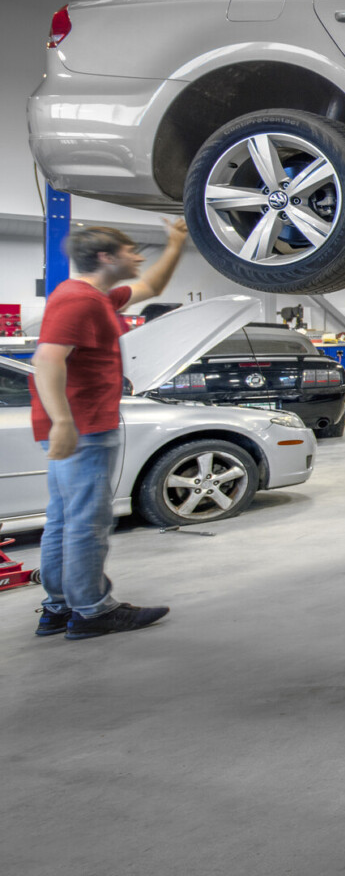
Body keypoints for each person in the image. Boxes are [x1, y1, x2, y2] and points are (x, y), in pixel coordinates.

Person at [30, 221, 187, 640]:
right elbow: (47, 360)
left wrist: (177, 243)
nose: (138, 258)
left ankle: (60, 606)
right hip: (83, 427)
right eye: (132, 250)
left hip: (79, 424)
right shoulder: (79, 301)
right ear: (106, 257)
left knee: (64, 520)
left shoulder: (94, 298)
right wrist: (64, 422)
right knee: (88, 523)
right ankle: (92, 610)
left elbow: (150, 289)